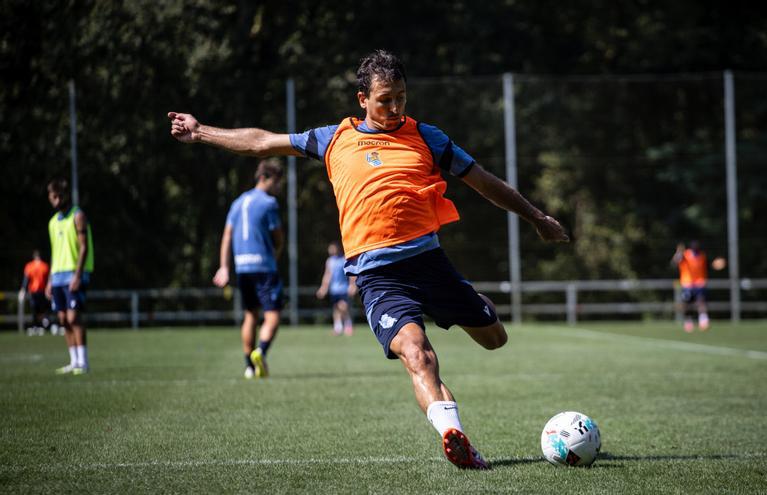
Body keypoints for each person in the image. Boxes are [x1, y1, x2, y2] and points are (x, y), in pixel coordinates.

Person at [169, 49, 568, 469]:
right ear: (362, 99)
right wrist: (201, 133)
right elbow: (261, 142)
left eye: (401, 97)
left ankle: (472, 305)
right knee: (418, 354)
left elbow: (483, 181)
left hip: (430, 265)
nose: (394, 108)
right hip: (379, 276)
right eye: (384, 99)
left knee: (494, 338)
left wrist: (536, 216)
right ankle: (455, 437)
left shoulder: (428, 137)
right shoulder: (333, 138)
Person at [212, 159, 285, 379]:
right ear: (265, 178)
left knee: (250, 315)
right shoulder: (268, 203)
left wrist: (224, 267)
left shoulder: (237, 202)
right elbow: (278, 237)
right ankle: (260, 352)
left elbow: (227, 235)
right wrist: (276, 254)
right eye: (277, 182)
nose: (278, 188)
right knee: (273, 315)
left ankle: (249, 367)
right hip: (264, 266)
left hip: (242, 267)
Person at [47, 178, 94, 374]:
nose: (56, 201)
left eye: (59, 196)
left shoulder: (78, 215)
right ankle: (73, 361)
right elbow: (54, 251)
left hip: (74, 273)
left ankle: (83, 362)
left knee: (74, 317)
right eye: (53, 197)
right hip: (57, 275)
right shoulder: (52, 222)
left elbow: (83, 247)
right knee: (63, 319)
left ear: (66, 195)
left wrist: (78, 274)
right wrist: (50, 279)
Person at [316, 241, 357, 336]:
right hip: (334, 289)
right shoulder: (330, 261)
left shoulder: (344, 259)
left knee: (343, 306)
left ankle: (348, 325)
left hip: (343, 288)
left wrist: (352, 285)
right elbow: (327, 275)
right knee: (336, 309)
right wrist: (323, 288)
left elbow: (351, 274)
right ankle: (338, 327)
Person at [672, 241, 713, 332]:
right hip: (687, 284)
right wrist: (678, 252)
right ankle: (688, 321)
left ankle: (703, 321)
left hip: (699, 283)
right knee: (687, 304)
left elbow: (707, 267)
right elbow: (675, 262)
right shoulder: (685, 254)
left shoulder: (702, 256)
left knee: (701, 301)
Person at [19, 250, 52, 336]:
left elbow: (26, 280)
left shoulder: (29, 266)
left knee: (35, 309)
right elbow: (49, 279)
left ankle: (37, 326)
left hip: (34, 291)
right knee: (41, 310)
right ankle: (40, 326)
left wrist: (23, 290)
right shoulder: (45, 266)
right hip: (42, 291)